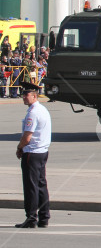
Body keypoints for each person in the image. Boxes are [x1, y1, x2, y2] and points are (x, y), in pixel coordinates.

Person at [15, 80, 51, 228]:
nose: (24, 97)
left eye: (26, 94)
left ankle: (31, 218)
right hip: (42, 152)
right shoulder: (42, 109)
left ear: (34, 96)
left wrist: (19, 148)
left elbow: (27, 137)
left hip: (32, 153)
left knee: (31, 187)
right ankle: (44, 217)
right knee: (41, 185)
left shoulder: (33, 113)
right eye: (23, 94)